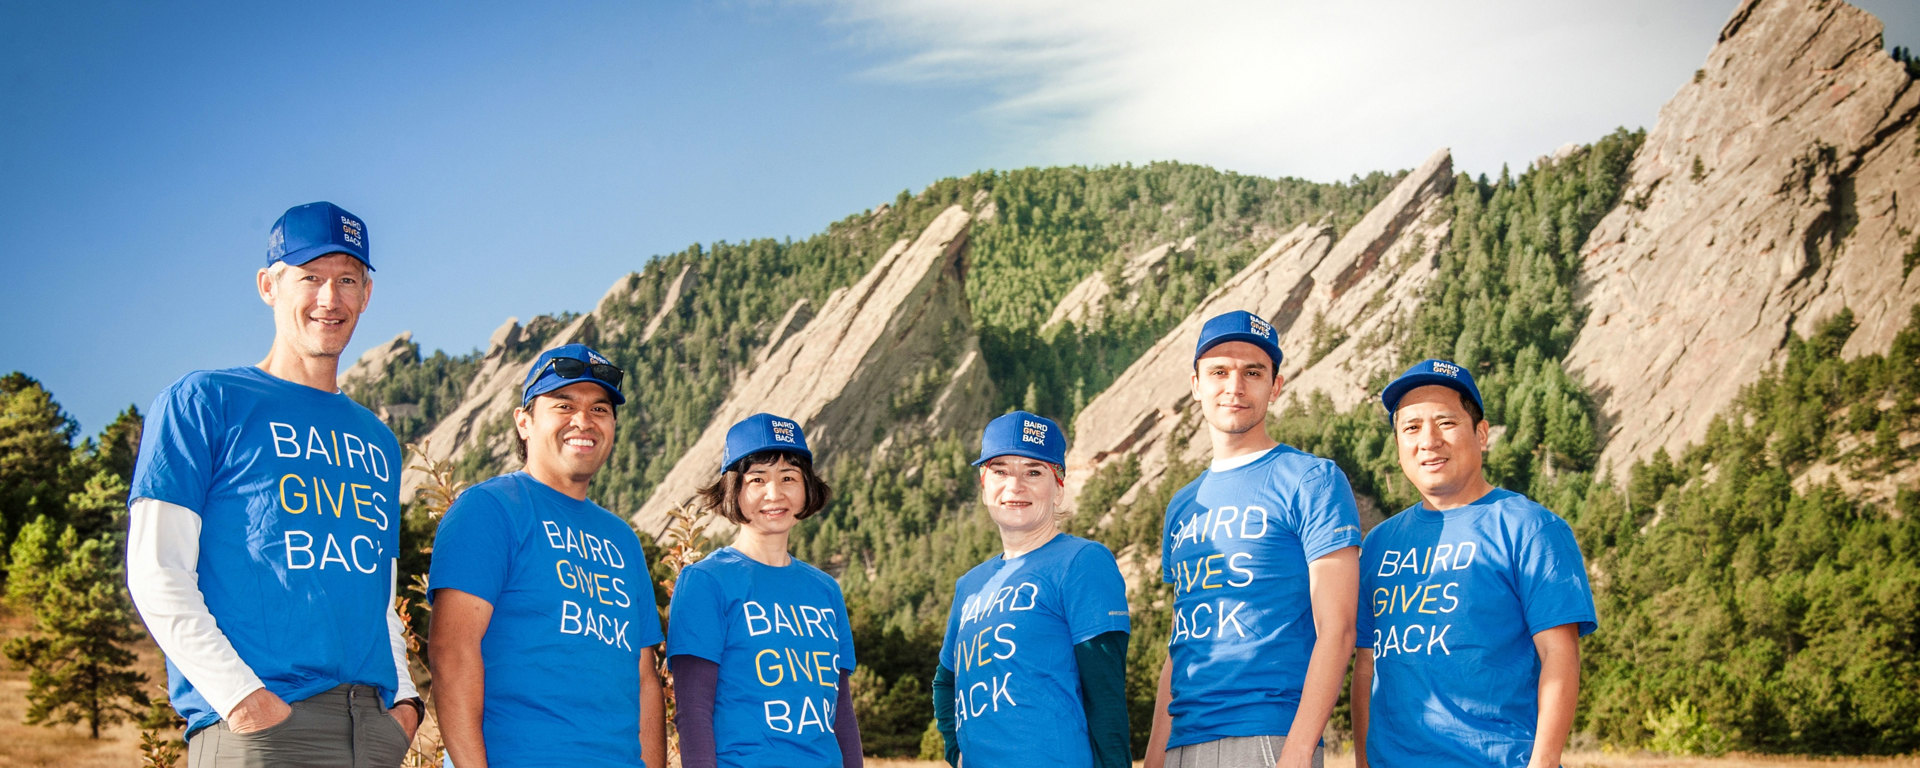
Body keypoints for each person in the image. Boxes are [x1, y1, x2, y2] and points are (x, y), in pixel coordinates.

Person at [126, 201, 421, 767]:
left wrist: (404, 705)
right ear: (269, 285)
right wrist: (243, 702)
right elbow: (157, 569)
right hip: (264, 730)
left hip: (373, 734)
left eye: (347, 280)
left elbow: (377, 598)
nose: (329, 299)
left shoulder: (379, 441)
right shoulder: (205, 401)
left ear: (367, 294)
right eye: (309, 277)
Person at [427, 343, 667, 768]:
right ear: (524, 421)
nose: (584, 421)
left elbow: (645, 679)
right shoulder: (490, 509)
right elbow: (452, 650)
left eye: (600, 409)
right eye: (563, 405)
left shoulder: (622, 539)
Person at [1351, 359, 1598, 768]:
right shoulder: (1378, 543)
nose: (1428, 441)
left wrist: (1544, 762)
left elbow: (1561, 656)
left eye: (1445, 422)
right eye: (1411, 428)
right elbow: (1367, 664)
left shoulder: (1531, 528)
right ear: (1398, 445)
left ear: (1481, 435)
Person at [1144, 310, 1363, 768]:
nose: (1235, 387)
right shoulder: (1183, 504)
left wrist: (1298, 751)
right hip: (1182, 740)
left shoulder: (1311, 479)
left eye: (1253, 373)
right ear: (1196, 384)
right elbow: (1180, 641)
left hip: (1267, 735)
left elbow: (1338, 630)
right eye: (1219, 371)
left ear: (1275, 386)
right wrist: (1154, 756)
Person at [933, 410, 1131, 768]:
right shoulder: (970, 585)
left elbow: (1106, 697)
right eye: (1001, 471)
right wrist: (956, 750)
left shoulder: (1083, 561)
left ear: (1058, 488)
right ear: (983, 484)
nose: (1015, 485)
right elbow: (946, 683)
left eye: (1033, 472)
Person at [667, 413, 862, 768]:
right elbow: (693, 712)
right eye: (757, 479)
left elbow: (842, 713)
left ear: (807, 489)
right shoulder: (705, 581)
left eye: (789, 477)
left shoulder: (826, 590)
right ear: (734, 490)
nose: (775, 493)